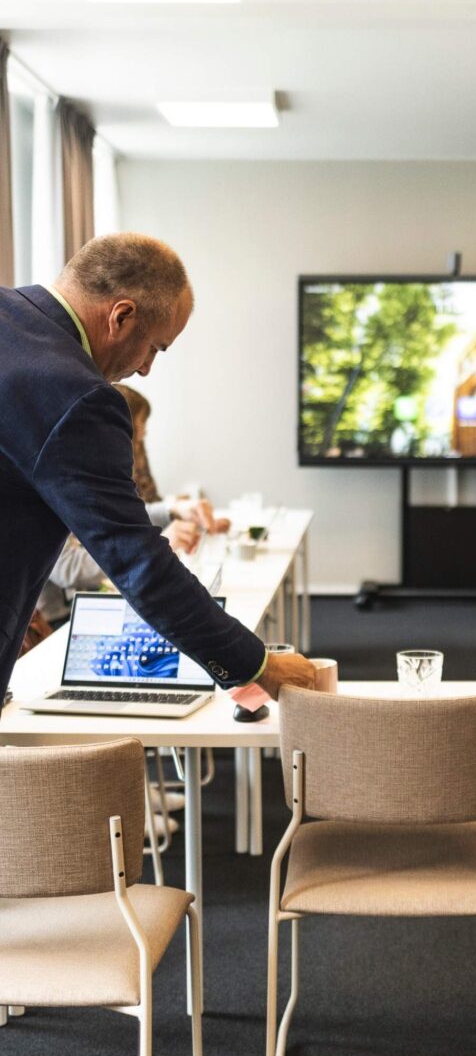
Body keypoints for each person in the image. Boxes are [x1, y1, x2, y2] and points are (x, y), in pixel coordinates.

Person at [0, 232, 313, 703]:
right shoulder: (76, 396)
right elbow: (138, 563)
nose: (146, 370)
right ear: (121, 316)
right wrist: (259, 664)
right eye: (155, 349)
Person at [37, 384, 227, 626]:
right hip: (54, 622)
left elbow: (122, 516)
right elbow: (68, 568)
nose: (138, 451)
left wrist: (173, 510)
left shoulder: (91, 471)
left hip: (79, 607)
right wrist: (150, 547)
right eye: (137, 439)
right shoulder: (57, 473)